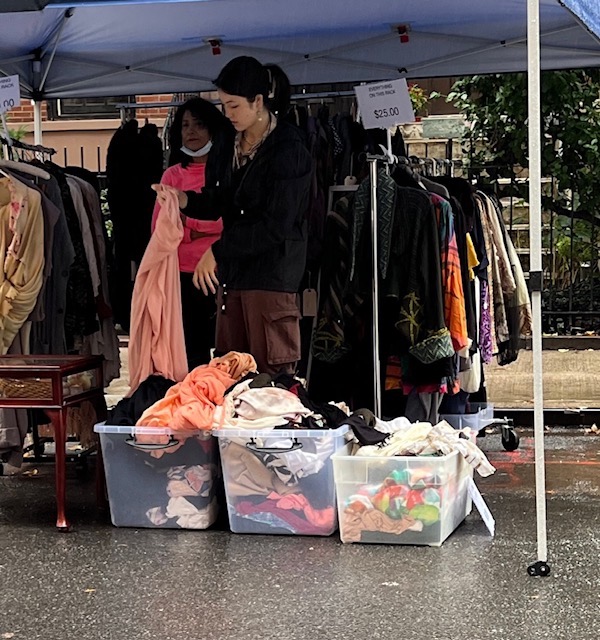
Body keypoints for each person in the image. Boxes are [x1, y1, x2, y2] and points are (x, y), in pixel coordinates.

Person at [154, 56, 313, 375]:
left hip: (272, 277)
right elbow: (224, 198)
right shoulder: (229, 142)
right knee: (229, 374)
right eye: (224, 105)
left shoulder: (288, 148)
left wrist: (217, 250)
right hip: (234, 277)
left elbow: (275, 225)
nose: (228, 114)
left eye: (234, 105)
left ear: (258, 101)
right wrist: (185, 199)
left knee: (269, 378)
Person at [151, 97, 233, 369]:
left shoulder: (227, 171)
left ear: (213, 129)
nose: (191, 132)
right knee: (192, 354)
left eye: (199, 125)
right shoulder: (171, 176)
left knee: (227, 352)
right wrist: (208, 230)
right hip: (183, 276)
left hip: (224, 273)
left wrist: (191, 225)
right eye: (185, 125)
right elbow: (162, 230)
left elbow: (231, 224)